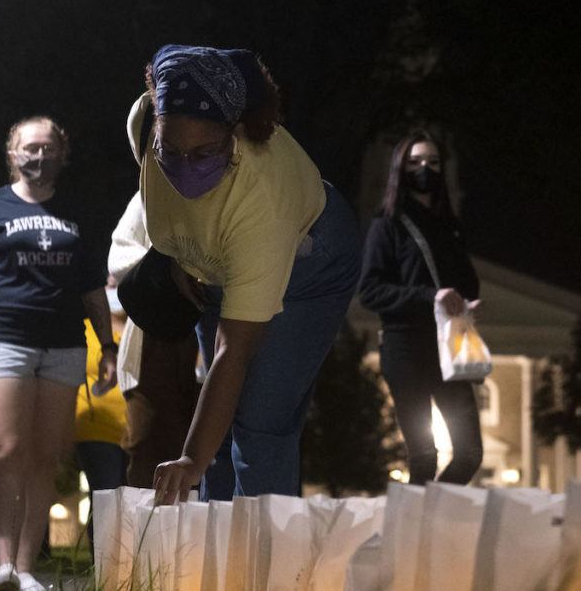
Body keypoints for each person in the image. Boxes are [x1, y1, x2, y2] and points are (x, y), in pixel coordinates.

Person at [132, 45, 361, 504]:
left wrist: (190, 459)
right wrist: (179, 258)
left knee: (260, 423)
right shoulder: (144, 125)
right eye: (170, 151)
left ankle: (266, 570)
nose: (185, 167)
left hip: (309, 263)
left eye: (204, 153)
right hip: (218, 264)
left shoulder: (262, 203)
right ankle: (212, 565)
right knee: (216, 419)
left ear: (234, 134)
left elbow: (232, 352)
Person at [0, 117, 117, 591]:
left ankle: (29, 570)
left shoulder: (77, 212)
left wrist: (109, 347)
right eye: (29, 148)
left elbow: (92, 287)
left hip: (64, 345)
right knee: (8, 452)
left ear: (63, 155)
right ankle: (4, 568)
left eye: (48, 148)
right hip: (5, 340)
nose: (39, 156)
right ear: (12, 154)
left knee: (44, 457)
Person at [358, 131, 483, 485]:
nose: (424, 168)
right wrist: (430, 297)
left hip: (448, 349)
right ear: (400, 168)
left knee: (470, 453)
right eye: (414, 162)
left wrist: (468, 303)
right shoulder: (387, 225)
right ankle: (411, 534)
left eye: (432, 162)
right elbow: (369, 291)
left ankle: (423, 522)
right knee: (424, 456)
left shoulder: (450, 227)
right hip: (406, 350)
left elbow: (466, 282)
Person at [107, 191, 202, 489]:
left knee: (216, 451)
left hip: (218, 330)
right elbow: (119, 256)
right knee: (150, 451)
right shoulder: (152, 188)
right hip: (154, 337)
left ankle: (209, 535)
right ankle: (144, 536)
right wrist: (173, 267)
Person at [73, 274, 128, 550]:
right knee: (105, 496)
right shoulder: (86, 330)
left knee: (132, 501)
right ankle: (104, 571)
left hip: (132, 431)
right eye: (108, 286)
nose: (113, 291)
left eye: (119, 285)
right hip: (96, 429)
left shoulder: (138, 332)